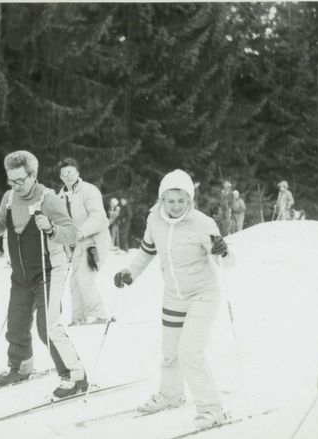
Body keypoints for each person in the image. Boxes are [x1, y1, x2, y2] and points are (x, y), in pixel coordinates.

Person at [113, 169, 233, 430]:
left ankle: (212, 409)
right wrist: (129, 273)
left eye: (182, 200)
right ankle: (171, 394)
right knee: (169, 352)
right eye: (171, 200)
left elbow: (226, 261)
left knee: (190, 351)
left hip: (203, 294)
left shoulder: (203, 223)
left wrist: (223, 251)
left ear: (190, 200)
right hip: (173, 296)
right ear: (162, 199)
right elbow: (146, 252)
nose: (176, 206)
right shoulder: (154, 220)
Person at [0, 150, 87, 398]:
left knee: (47, 326)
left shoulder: (48, 199)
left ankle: (75, 375)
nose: (15, 186)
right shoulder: (9, 198)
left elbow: (72, 233)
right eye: (11, 181)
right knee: (16, 323)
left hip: (48, 271)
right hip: (21, 274)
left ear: (33, 175)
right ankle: (21, 366)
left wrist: (51, 228)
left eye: (20, 181)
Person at [56, 158, 110, 325]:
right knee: (74, 281)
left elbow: (97, 216)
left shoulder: (89, 190)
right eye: (64, 174)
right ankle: (78, 317)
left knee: (84, 276)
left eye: (71, 172)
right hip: (78, 241)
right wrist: (67, 247)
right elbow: (62, 223)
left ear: (77, 172)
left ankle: (99, 315)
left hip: (96, 238)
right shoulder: (60, 196)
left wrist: (81, 232)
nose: (68, 176)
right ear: (60, 176)